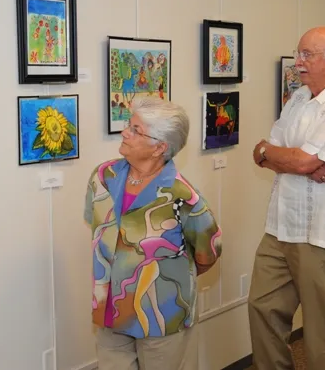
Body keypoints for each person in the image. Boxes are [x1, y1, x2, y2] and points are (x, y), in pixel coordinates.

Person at [249, 26, 325, 369]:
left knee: (322, 330)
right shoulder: (300, 98)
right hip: (280, 226)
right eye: (298, 53)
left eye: (307, 54)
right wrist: (286, 158)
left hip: (323, 230)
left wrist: (288, 158)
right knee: (262, 309)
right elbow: (261, 151)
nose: (298, 61)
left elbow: (298, 159)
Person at [84, 97, 223, 370]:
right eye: (129, 125)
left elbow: (208, 252)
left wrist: (167, 279)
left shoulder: (182, 195)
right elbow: (97, 226)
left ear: (160, 147)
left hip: (161, 315)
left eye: (136, 130)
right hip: (109, 306)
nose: (125, 132)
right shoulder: (103, 177)